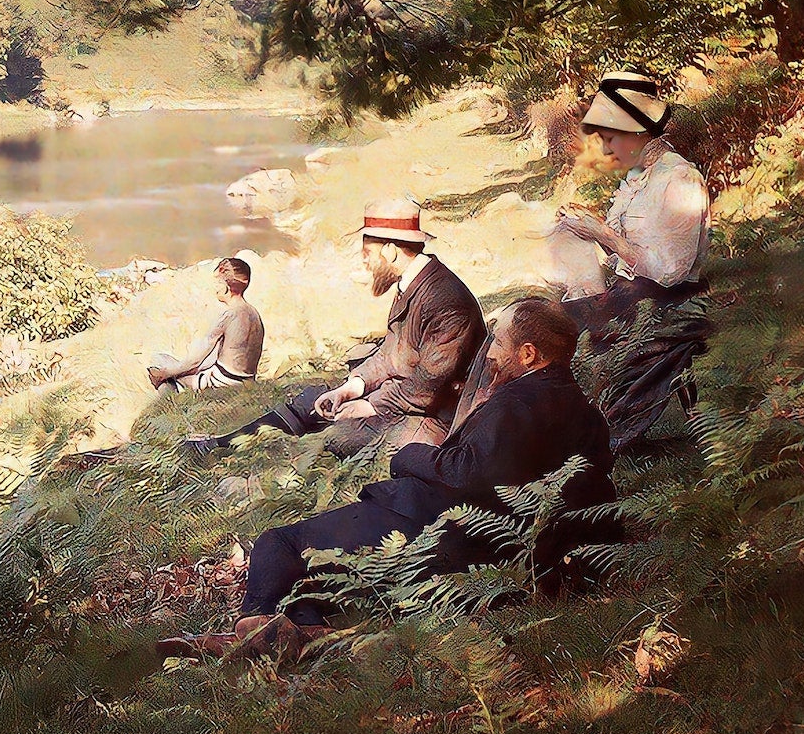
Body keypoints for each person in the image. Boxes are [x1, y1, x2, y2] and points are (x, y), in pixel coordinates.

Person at [173, 298, 614, 658]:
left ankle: (250, 631)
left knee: (277, 542)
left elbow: (467, 473)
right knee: (314, 578)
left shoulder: (515, 402)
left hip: (437, 525)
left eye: (497, 343)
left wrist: (410, 456)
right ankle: (308, 632)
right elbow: (593, 496)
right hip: (501, 549)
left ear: (529, 354)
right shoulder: (589, 418)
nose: (491, 352)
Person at [185, 200, 484, 458]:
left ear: (391, 252)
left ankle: (246, 455)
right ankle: (220, 447)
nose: (365, 262)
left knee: (337, 434)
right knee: (314, 399)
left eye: (368, 252)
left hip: (437, 418)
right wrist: (351, 388)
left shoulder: (447, 302)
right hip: (406, 398)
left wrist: (368, 406)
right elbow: (389, 355)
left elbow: (428, 388)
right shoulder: (414, 284)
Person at [554, 70, 711, 339]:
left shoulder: (680, 178)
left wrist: (603, 234)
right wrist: (587, 228)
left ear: (637, 132)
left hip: (667, 313)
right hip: (633, 301)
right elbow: (626, 254)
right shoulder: (638, 176)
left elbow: (669, 273)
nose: (604, 150)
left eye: (609, 138)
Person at [147, 257, 265, 394]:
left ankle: (172, 401)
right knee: (179, 370)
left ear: (226, 286)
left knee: (160, 362)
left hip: (223, 384)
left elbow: (195, 361)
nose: (214, 287)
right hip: (247, 382)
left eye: (217, 282)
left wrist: (164, 374)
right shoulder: (254, 313)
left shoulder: (228, 315)